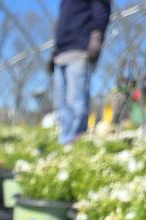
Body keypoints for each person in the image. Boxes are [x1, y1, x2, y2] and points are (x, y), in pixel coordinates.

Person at [49, 0, 110, 145]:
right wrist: (54, 52)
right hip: (61, 53)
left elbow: (101, 13)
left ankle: (76, 140)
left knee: (75, 100)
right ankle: (64, 140)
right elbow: (62, 25)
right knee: (61, 103)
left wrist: (96, 40)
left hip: (80, 50)